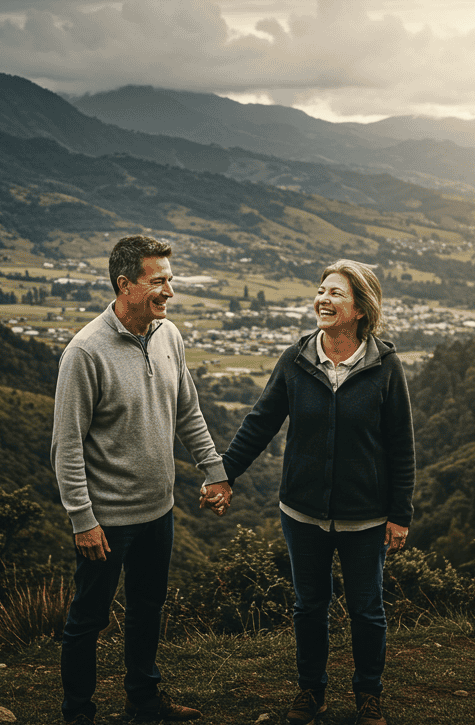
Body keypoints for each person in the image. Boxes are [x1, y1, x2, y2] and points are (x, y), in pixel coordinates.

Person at [210, 259, 415, 725]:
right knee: (309, 607)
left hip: (366, 516)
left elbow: (402, 446)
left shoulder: (386, 366)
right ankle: (311, 692)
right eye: (321, 290)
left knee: (367, 609)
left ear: (361, 308)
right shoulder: (297, 359)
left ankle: (368, 694)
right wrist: (224, 474)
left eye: (336, 293)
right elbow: (260, 423)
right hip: (302, 513)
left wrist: (399, 514)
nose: (323, 299)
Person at [51, 234, 234, 725]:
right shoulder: (85, 353)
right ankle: (78, 715)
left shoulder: (168, 334)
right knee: (88, 620)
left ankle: (144, 702)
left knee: (147, 607)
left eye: (170, 281)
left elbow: (188, 411)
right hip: (106, 521)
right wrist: (82, 520)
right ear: (124, 284)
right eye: (158, 282)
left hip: (159, 511)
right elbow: (65, 446)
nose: (169, 291)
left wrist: (214, 471)